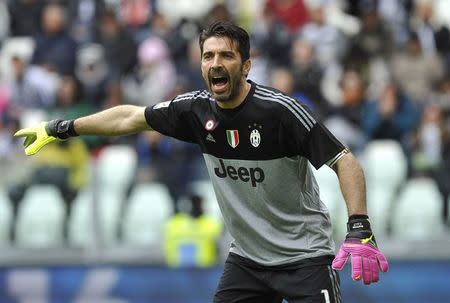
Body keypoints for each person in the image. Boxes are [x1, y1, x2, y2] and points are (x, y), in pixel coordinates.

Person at [14, 21, 388, 302]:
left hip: (305, 259)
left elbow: (345, 160)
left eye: (226, 55)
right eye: (208, 56)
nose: (215, 63)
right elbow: (130, 117)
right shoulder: (194, 110)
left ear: (246, 66)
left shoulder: (281, 112)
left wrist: (359, 226)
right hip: (248, 262)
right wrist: (61, 127)